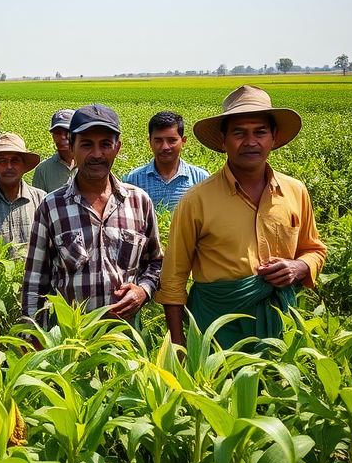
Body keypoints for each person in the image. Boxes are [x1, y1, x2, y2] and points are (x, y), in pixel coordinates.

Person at [155, 85, 327, 348]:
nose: (250, 142)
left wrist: (298, 267)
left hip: (281, 325)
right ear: (223, 141)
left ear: (274, 137)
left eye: (260, 132)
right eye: (239, 133)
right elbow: (173, 279)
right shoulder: (196, 200)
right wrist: (178, 347)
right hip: (215, 328)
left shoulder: (296, 192)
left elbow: (313, 249)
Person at [22, 104, 163, 324]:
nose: (97, 154)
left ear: (117, 147)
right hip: (70, 340)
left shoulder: (139, 202)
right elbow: (34, 283)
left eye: (105, 144)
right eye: (87, 145)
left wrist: (143, 291)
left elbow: (157, 262)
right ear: (72, 146)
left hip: (124, 339)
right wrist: (32, 337)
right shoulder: (51, 207)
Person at [123, 111, 209, 210]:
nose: (165, 147)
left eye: (172, 140)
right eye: (158, 140)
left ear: (183, 141)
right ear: (150, 141)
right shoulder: (133, 180)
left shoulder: (201, 179)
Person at [32, 109, 77, 193]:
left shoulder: (89, 165)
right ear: (53, 136)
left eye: (68, 132)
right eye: (58, 133)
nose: (63, 137)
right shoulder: (43, 170)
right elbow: (39, 203)